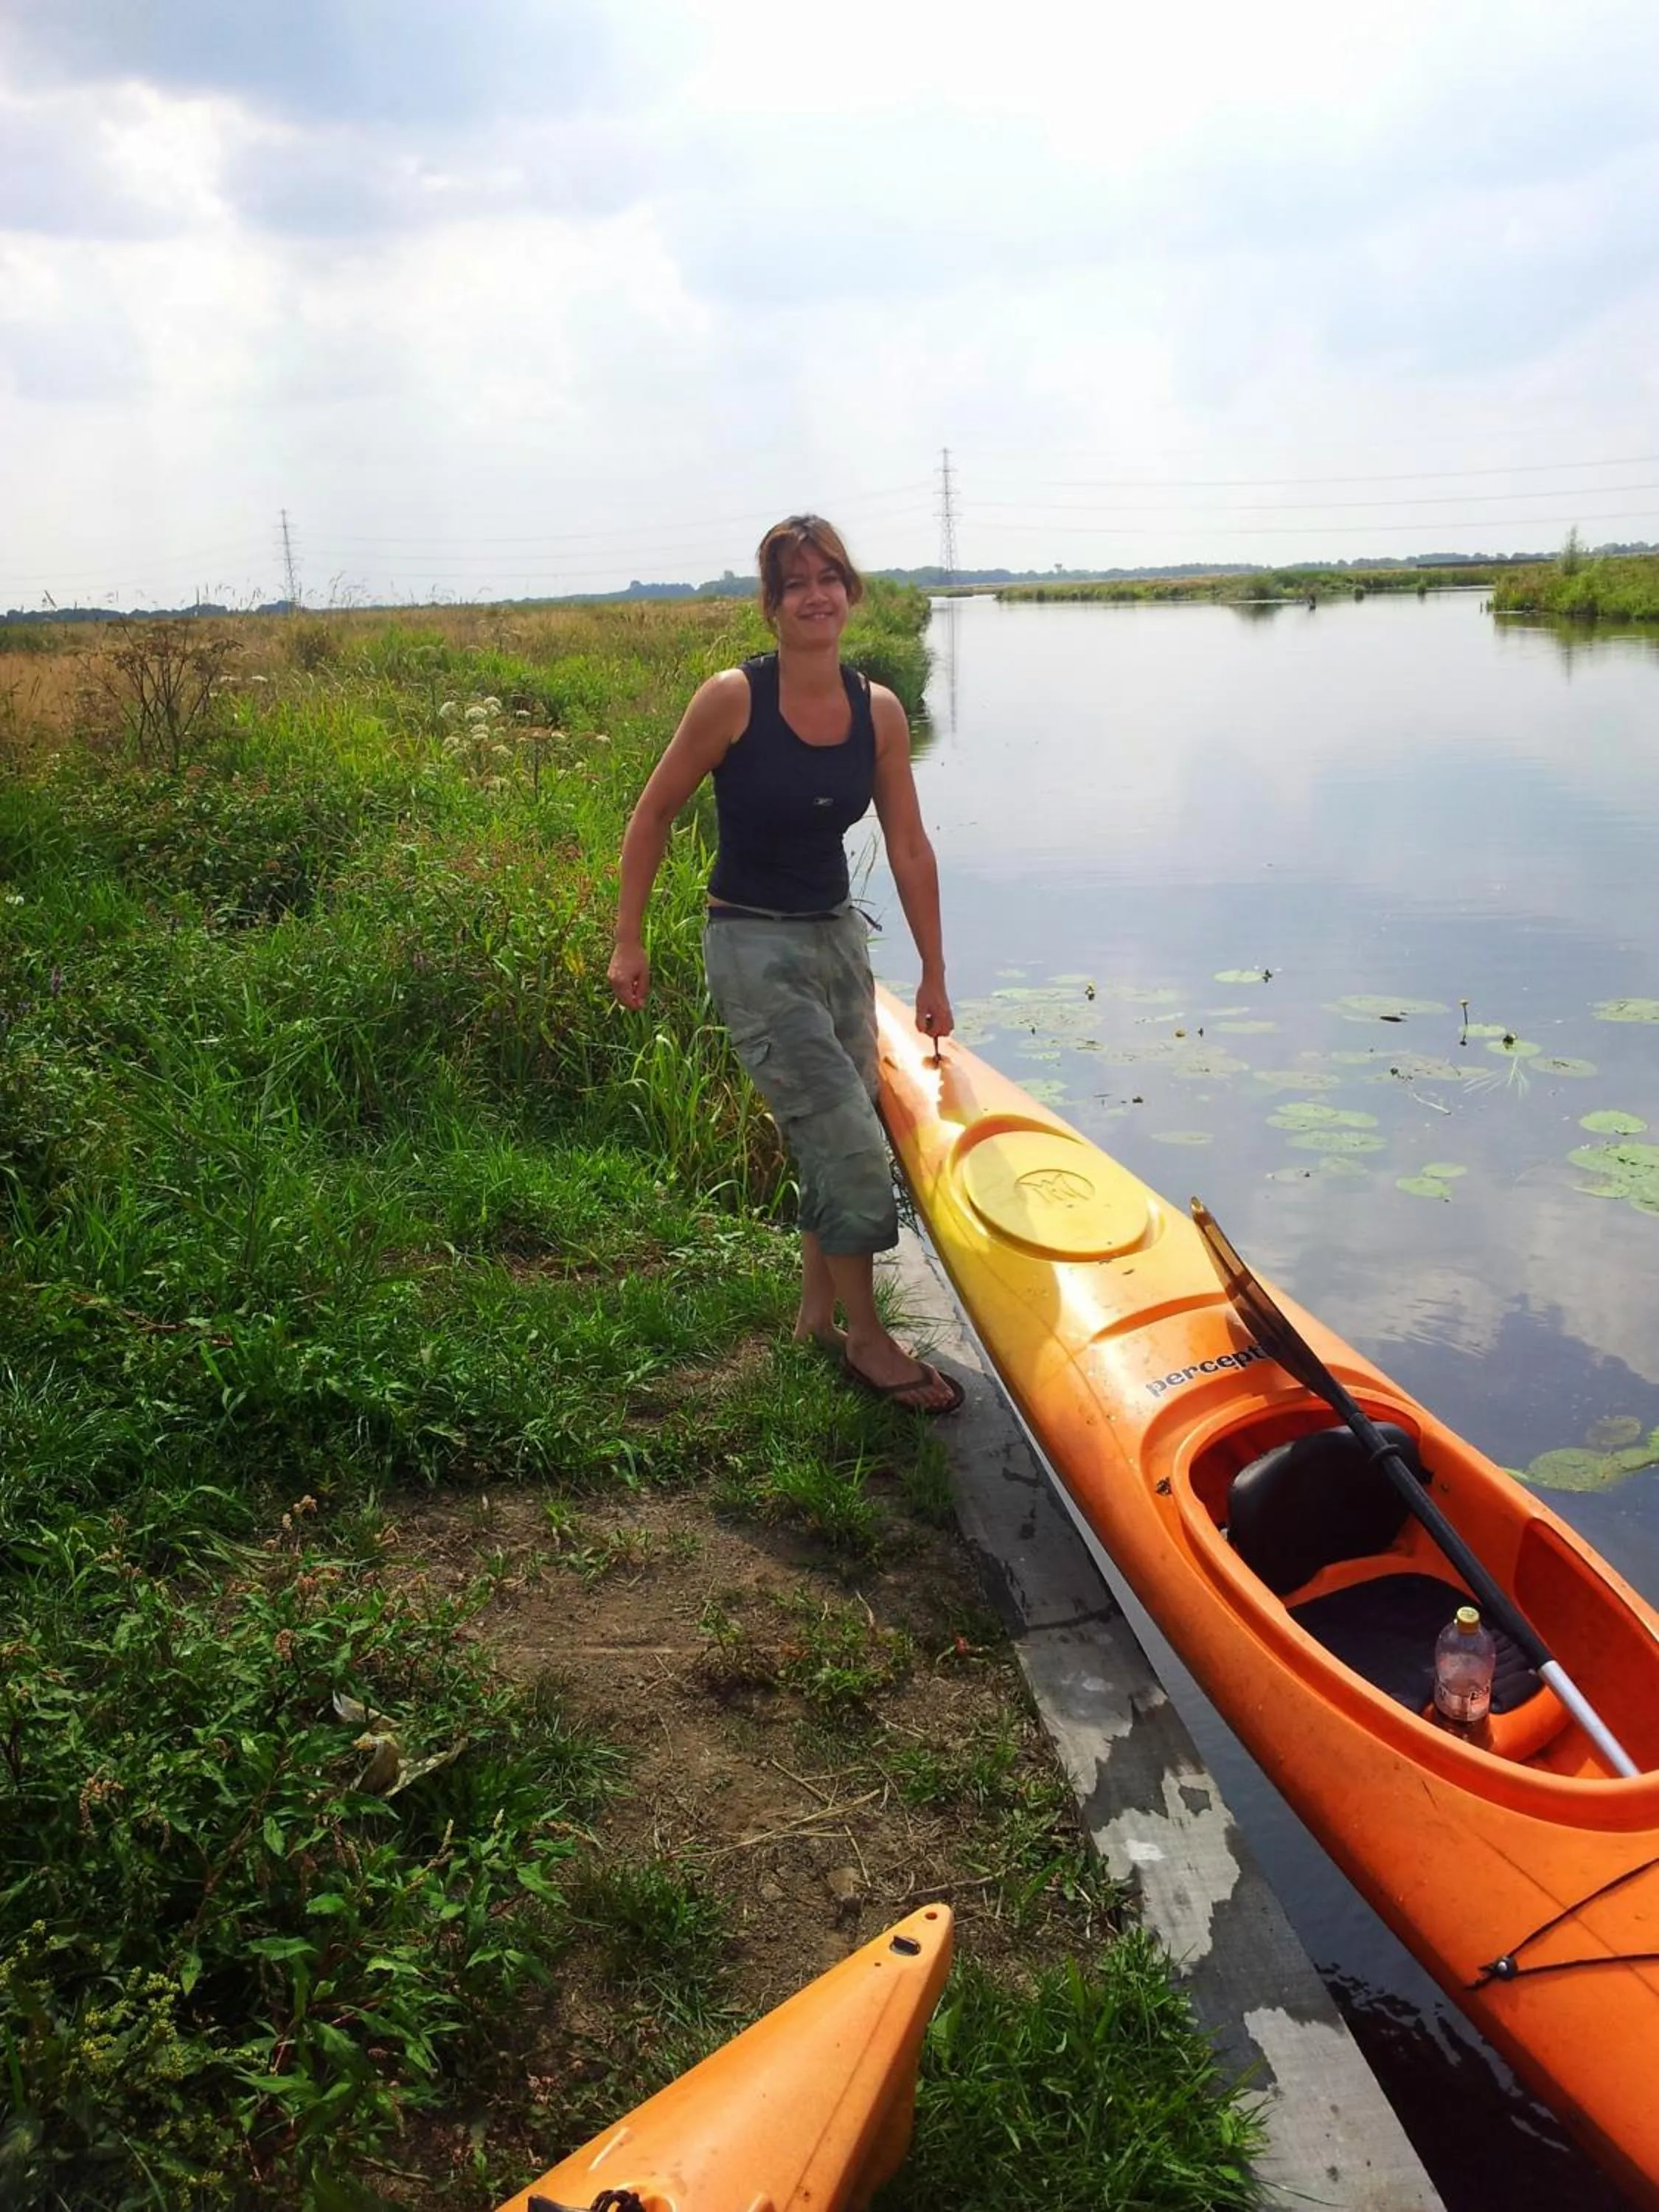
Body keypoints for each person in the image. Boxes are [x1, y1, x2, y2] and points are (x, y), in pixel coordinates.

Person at [607, 513, 962, 1414]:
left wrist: (932, 974)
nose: (816, 596)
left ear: (851, 592)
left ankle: (816, 1320)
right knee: (846, 1137)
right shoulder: (732, 699)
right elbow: (651, 817)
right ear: (771, 606)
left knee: (832, 1131)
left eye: (830, 577)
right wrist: (629, 937)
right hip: (753, 945)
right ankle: (870, 1341)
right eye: (796, 582)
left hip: (836, 940)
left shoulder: (878, 709)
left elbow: (911, 848)